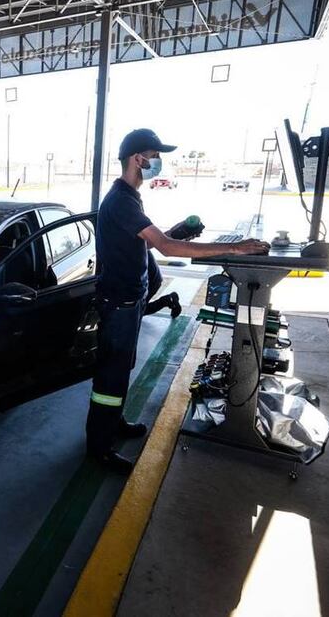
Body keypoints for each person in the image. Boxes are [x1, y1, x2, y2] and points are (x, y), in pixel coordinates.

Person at [87, 128, 269, 472]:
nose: (158, 162)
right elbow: (167, 249)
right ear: (138, 159)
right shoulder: (121, 200)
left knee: (122, 370)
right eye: (155, 156)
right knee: (110, 378)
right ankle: (99, 447)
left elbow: (148, 241)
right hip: (118, 304)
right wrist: (234, 248)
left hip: (129, 301)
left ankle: (114, 421)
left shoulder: (130, 197)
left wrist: (174, 233)